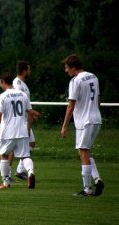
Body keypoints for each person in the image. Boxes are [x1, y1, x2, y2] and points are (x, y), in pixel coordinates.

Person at [61, 54, 104, 196]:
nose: (66, 71)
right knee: (84, 152)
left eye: (67, 68)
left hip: (85, 122)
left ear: (73, 67)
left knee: (84, 152)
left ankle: (87, 189)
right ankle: (97, 179)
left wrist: (64, 126)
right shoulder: (93, 76)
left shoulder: (75, 81)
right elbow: (98, 99)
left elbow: (70, 105)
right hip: (96, 119)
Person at [0, 72, 35, 189]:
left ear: (3, 82)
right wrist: (28, 129)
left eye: (0, 83)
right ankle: (30, 172)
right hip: (22, 130)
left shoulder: (1, 97)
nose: (0, 86)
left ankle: (5, 183)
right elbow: (31, 113)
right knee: (25, 156)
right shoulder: (23, 95)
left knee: (3, 156)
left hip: (8, 132)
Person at [8, 61, 41, 182]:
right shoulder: (17, 84)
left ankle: (20, 170)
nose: (30, 71)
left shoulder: (22, 84)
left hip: (25, 120)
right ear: (24, 71)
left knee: (31, 144)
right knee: (13, 147)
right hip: (20, 121)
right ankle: (8, 174)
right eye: (29, 69)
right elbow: (17, 102)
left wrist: (32, 112)